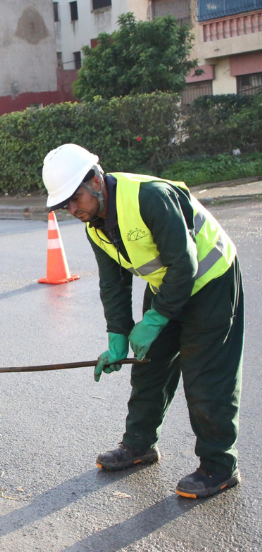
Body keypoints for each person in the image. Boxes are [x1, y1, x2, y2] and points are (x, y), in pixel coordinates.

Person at [42, 143, 243, 500]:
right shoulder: (95, 227)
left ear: (95, 180)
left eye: (75, 199)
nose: (72, 210)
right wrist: (117, 334)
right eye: (64, 205)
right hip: (169, 285)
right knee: (149, 367)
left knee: (206, 376)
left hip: (210, 281)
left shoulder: (149, 197)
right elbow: (113, 285)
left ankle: (219, 465)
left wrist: (155, 318)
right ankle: (139, 444)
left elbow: (184, 263)